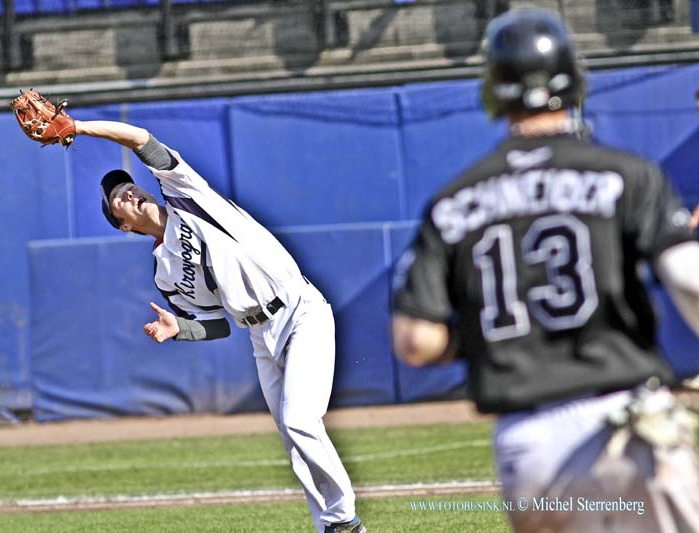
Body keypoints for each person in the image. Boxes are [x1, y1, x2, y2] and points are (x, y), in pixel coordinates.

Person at [392, 8, 699, 533]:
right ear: (574, 79)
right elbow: (690, 279)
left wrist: (496, 335)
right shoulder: (626, 175)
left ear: (493, 89)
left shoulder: (452, 203)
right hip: (619, 422)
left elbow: (416, 341)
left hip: (526, 445)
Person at [72, 118, 365, 533]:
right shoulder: (165, 273)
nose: (129, 191)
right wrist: (180, 329)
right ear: (124, 226)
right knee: (292, 439)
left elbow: (139, 139)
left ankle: (345, 521)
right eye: (119, 197)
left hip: (300, 311)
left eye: (128, 186)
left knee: (301, 420)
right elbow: (216, 326)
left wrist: (80, 127)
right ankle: (331, 526)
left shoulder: (184, 193)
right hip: (259, 335)